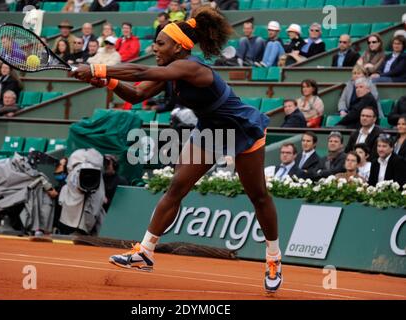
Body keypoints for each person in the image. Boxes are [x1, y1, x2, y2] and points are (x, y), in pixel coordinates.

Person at [71, 7, 282, 293]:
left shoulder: (191, 67)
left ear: (178, 46)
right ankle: (145, 252)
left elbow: (141, 70)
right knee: (176, 188)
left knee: (258, 196)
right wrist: (108, 81)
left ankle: (273, 258)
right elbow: (136, 93)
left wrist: (97, 68)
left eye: (160, 43)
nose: (153, 47)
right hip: (210, 130)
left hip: (240, 128)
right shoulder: (170, 72)